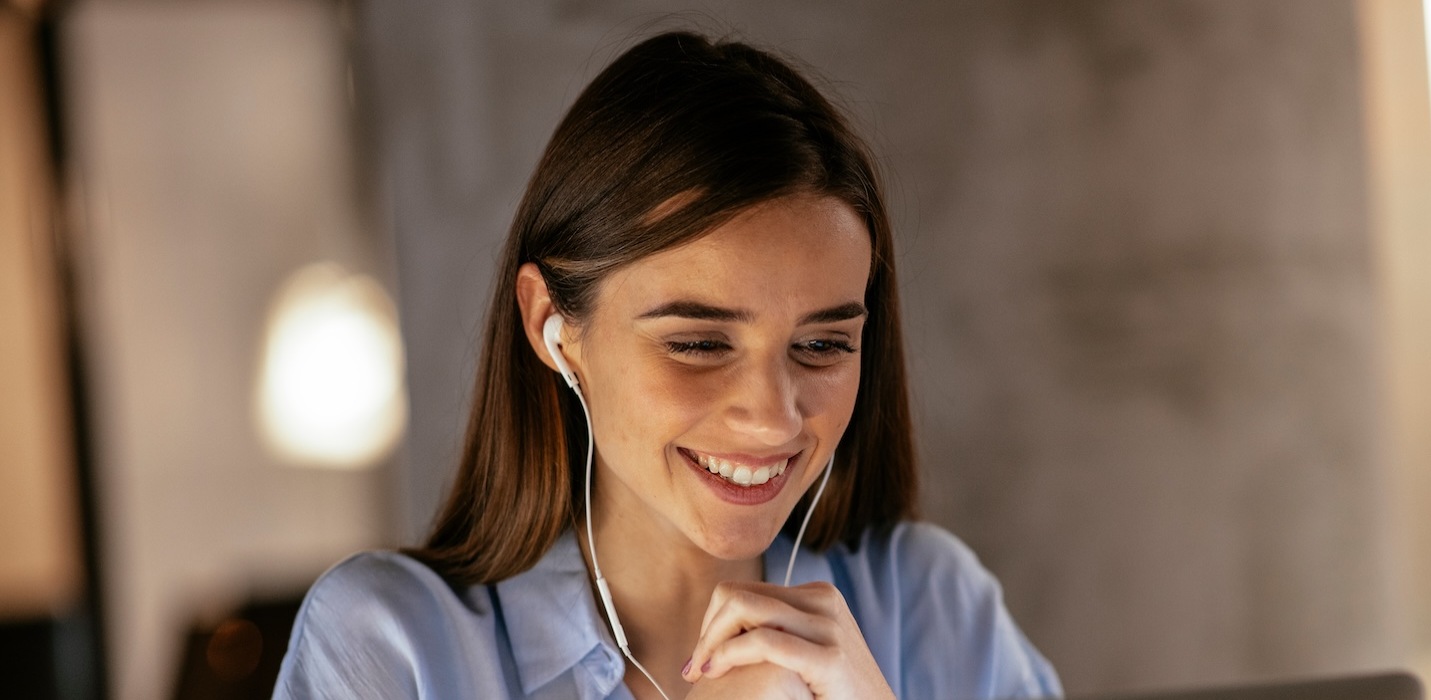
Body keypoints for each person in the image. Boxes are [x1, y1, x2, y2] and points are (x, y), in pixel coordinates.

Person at [274, 30, 1061, 700]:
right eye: (698, 343)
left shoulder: (933, 606)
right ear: (552, 325)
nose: (772, 414)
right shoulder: (390, 647)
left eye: (822, 345)